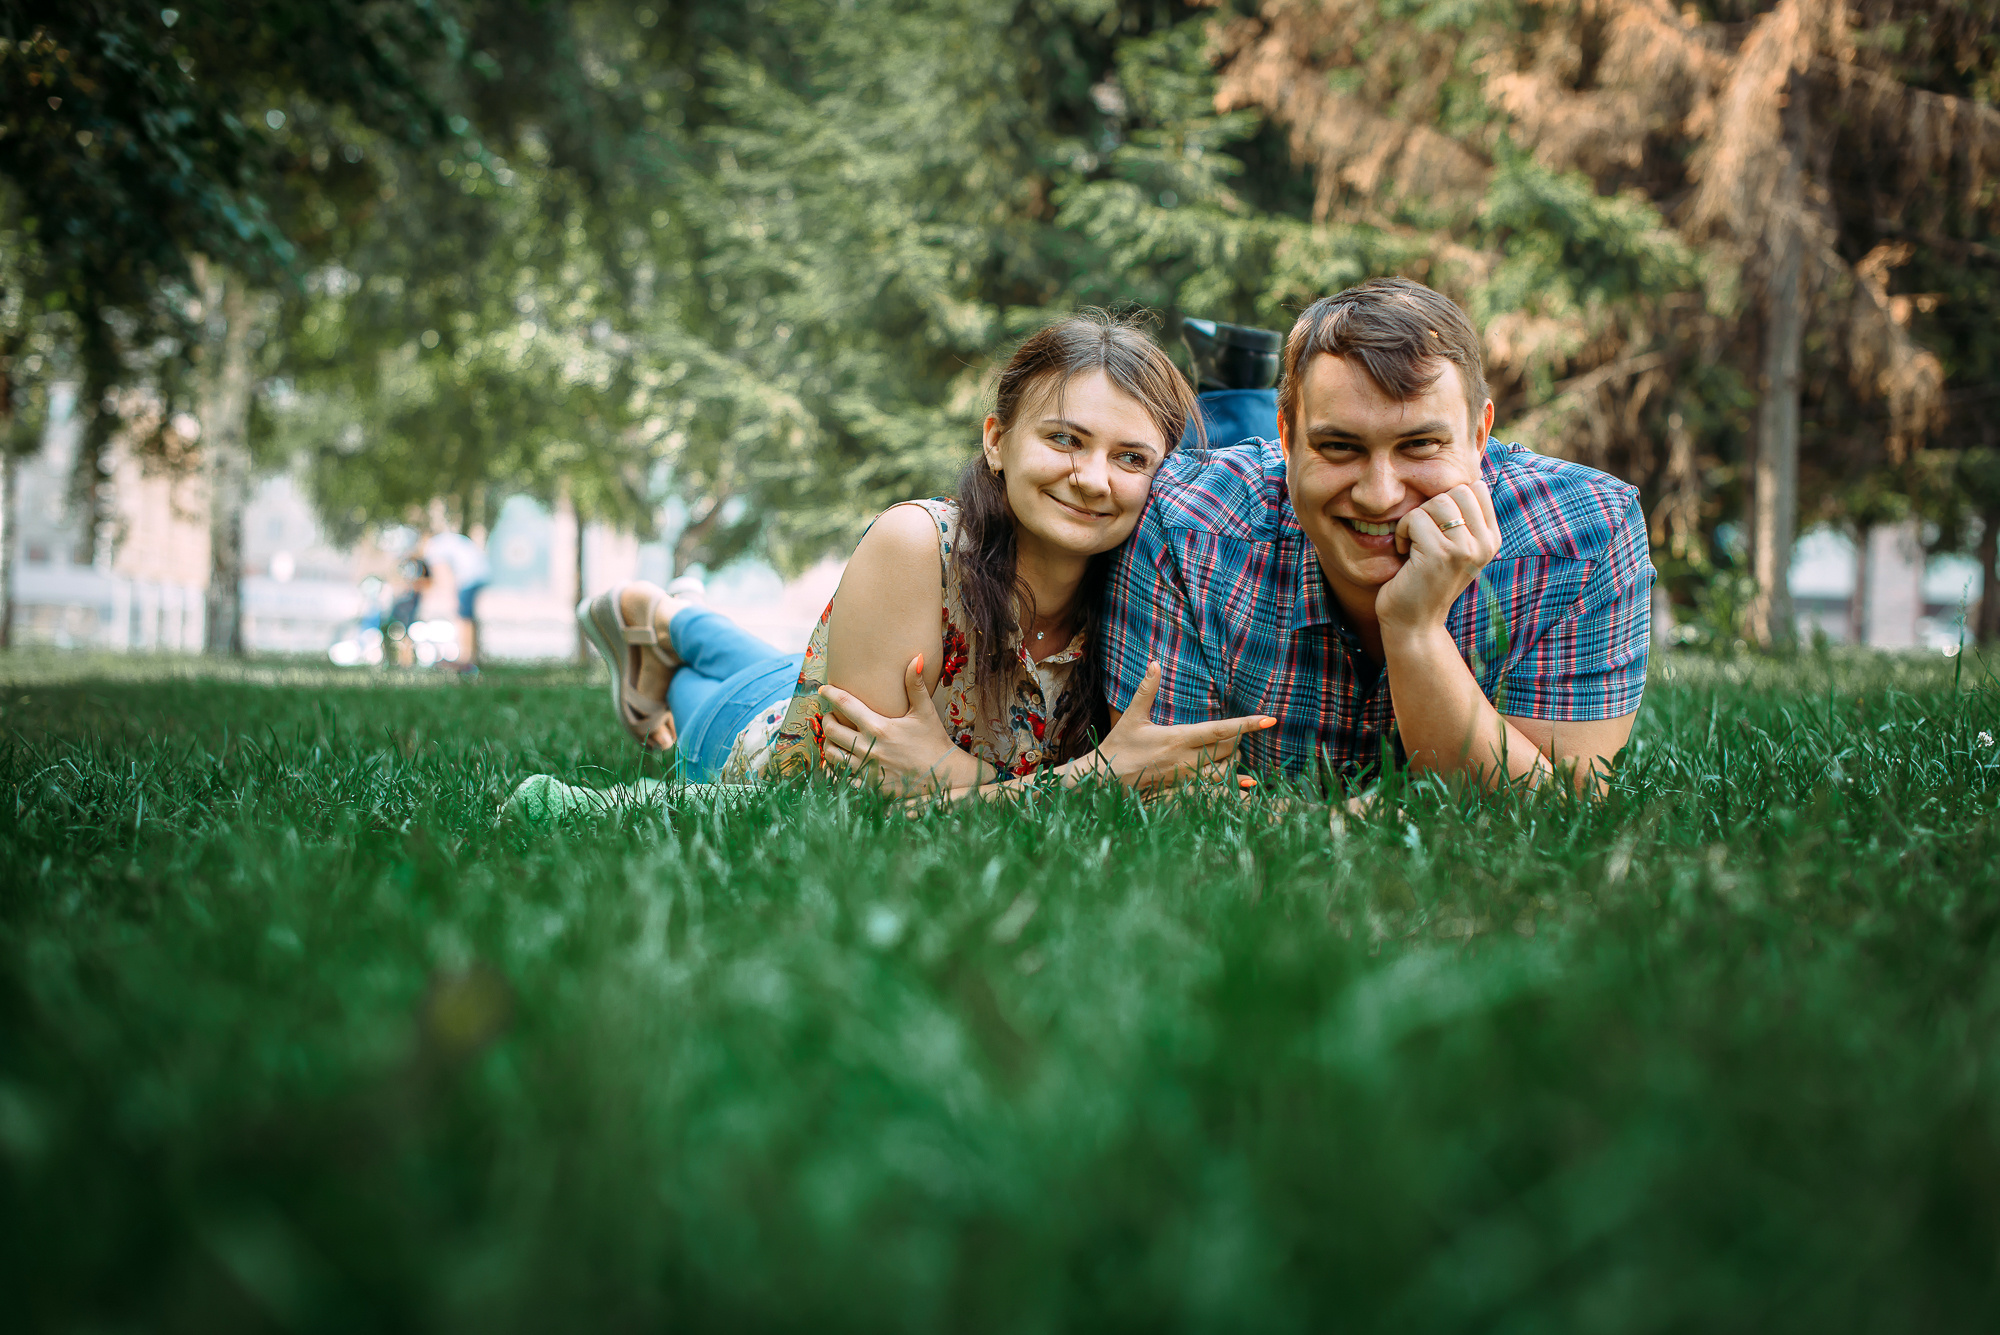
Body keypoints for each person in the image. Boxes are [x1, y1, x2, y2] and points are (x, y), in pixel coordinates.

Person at [573, 311, 1274, 798]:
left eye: (1131, 458)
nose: (1093, 478)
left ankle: (666, 619)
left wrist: (950, 774)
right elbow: (866, 795)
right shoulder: (919, 545)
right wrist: (1100, 777)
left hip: (826, 667)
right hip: (755, 732)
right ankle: (662, 623)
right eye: (1064, 439)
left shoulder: (1152, 586)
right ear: (996, 440)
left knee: (779, 665)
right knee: (705, 696)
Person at [1103, 277, 1654, 793]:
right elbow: (1165, 795)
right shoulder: (1190, 523)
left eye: (1420, 445)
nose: (1379, 495)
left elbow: (1557, 814)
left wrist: (1415, 629)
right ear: (1286, 437)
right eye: (1340, 447)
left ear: (1479, 434)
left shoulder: (1582, 536)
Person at [422, 527, 490, 673]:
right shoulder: (444, 540)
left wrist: (451, 598)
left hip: (469, 576)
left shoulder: (432, 548)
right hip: (481, 570)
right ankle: (472, 655)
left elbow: (444, 575)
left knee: (463, 617)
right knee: (468, 616)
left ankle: (466, 659)